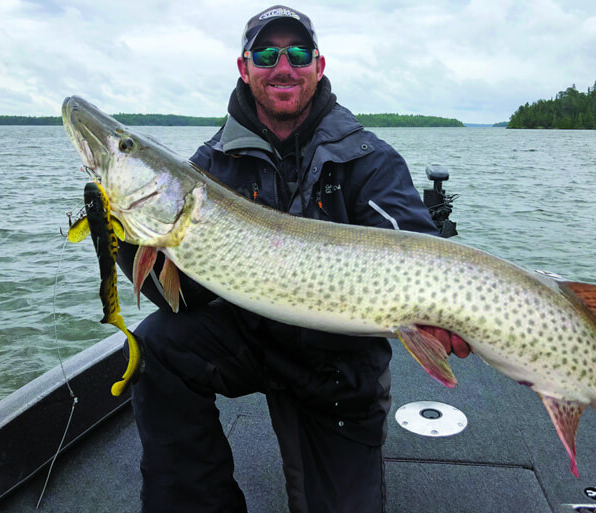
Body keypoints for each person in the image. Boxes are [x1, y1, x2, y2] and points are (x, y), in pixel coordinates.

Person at [117, 5, 470, 512]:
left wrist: (438, 316)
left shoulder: (368, 157)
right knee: (158, 343)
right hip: (252, 337)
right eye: (266, 53)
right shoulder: (211, 165)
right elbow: (182, 297)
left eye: (297, 53)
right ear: (245, 68)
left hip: (337, 368)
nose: (283, 66)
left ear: (318, 66)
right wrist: (127, 239)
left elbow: (415, 244)